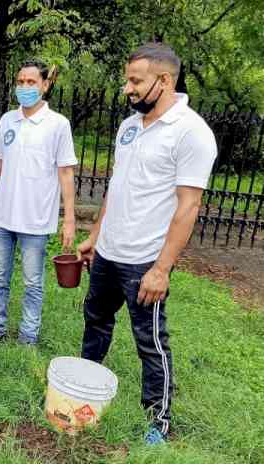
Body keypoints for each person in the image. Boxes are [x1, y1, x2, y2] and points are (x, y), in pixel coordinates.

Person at [76, 43, 217, 445]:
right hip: (108, 253)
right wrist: (95, 236)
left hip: (143, 261)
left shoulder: (192, 133)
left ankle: (159, 420)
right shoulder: (129, 126)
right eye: (127, 80)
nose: (128, 89)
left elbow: (188, 207)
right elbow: (116, 189)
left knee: (151, 342)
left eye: (136, 81)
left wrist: (161, 269)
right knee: (96, 321)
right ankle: (86, 382)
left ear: (165, 80)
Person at [0, 59, 77, 345]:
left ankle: (28, 336)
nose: (25, 87)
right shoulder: (8, 120)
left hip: (36, 221)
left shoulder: (57, 125)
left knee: (32, 283)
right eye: (20, 82)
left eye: (31, 82)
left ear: (45, 85)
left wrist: (69, 220)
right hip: (3, 217)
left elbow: (66, 172)